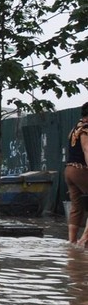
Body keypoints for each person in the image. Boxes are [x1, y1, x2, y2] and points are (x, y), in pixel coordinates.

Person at [66, 101, 88, 247]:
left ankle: (72, 243)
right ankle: (84, 240)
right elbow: (86, 149)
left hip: (69, 170)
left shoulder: (75, 128)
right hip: (80, 169)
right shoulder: (86, 129)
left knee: (76, 207)